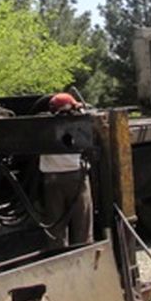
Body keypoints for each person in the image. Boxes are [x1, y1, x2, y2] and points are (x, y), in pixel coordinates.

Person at [38, 92, 93, 247]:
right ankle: (84, 253)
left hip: (51, 179)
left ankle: (58, 254)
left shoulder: (43, 127)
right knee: (82, 223)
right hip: (76, 177)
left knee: (56, 226)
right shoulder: (78, 125)